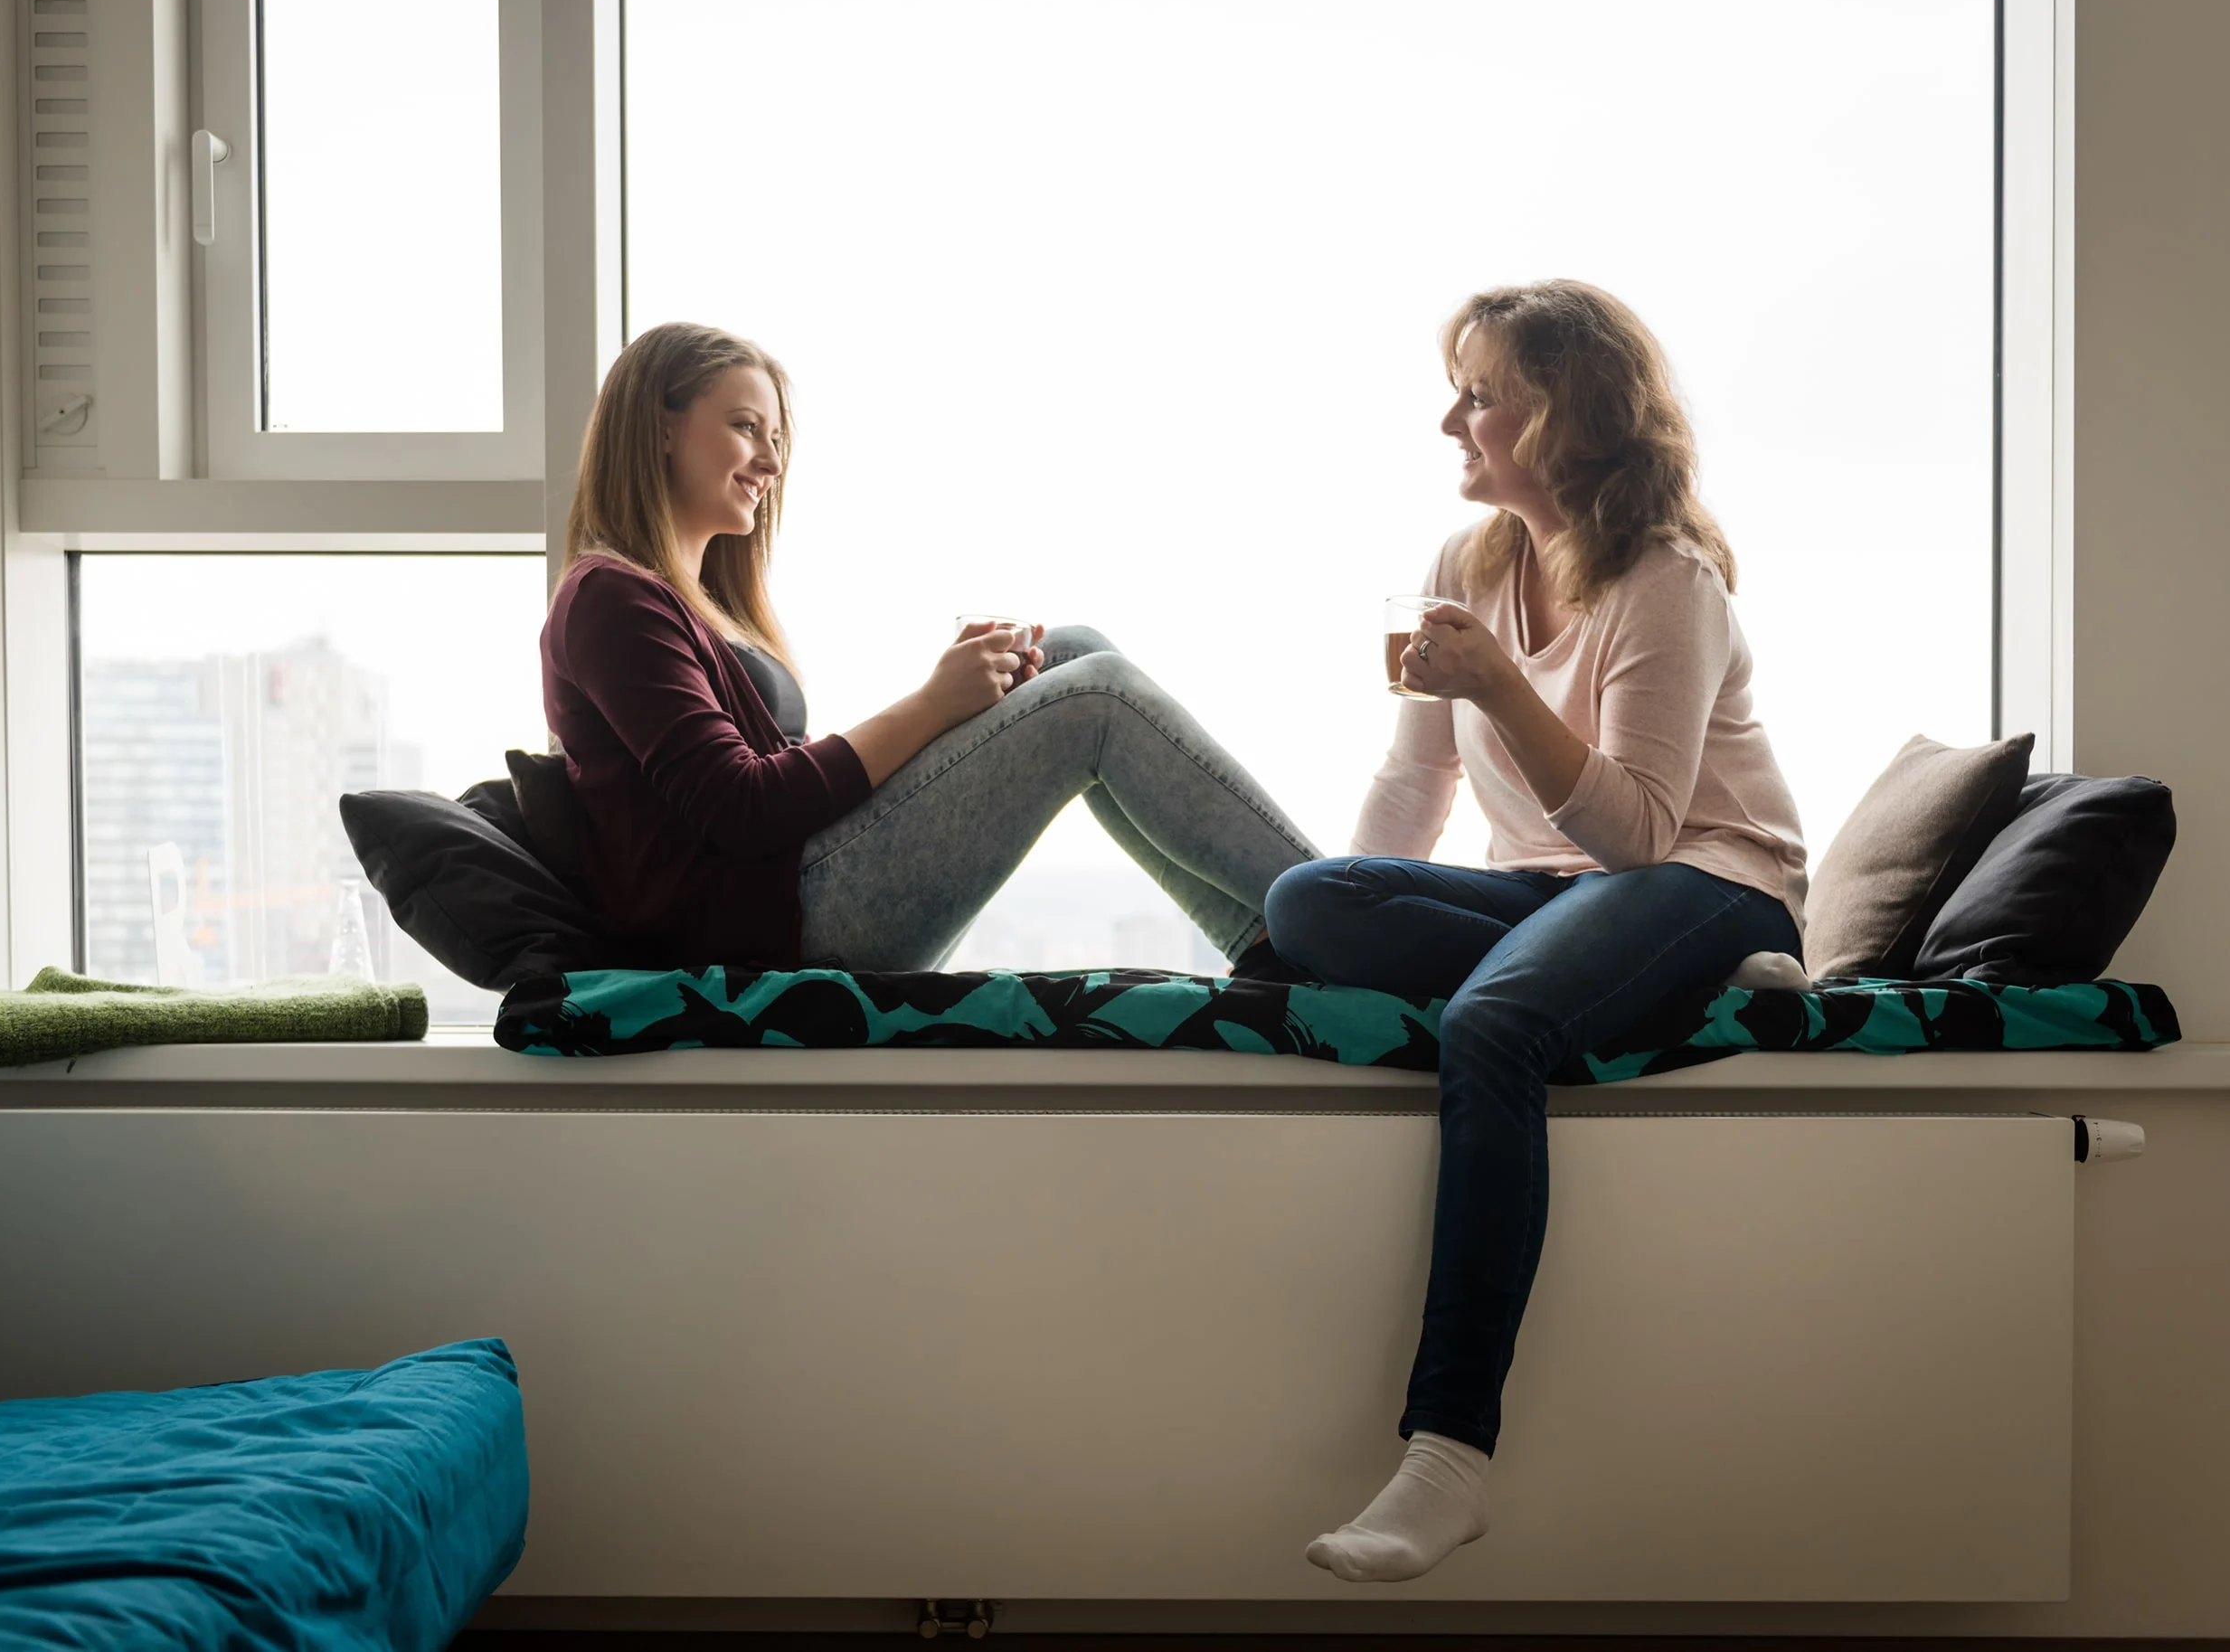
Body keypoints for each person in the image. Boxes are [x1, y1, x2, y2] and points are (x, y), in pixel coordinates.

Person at [1266, 280, 1808, 1582]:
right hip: (1555, 895)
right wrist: (1331, 921)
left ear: (1564, 414)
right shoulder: (1466, 564)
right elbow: (1414, 787)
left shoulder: (1666, 583)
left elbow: (1636, 830)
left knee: (1498, 1018)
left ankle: (1449, 1454)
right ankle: (1666, 989)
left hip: (1709, 871)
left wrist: (1502, 683)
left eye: (1482, 392)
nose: (1452, 417)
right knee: (1305, 901)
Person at [542, 320, 1318, 975]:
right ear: (662, 425)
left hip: (795, 891)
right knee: (1098, 696)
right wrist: (932, 706)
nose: (773, 465)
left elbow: (783, 790)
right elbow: (743, 808)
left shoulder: (691, 601)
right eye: (747, 427)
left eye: (777, 439)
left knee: (1071, 651)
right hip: (771, 927)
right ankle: (1357, 917)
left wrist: (959, 712)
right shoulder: (612, 599)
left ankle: (1271, 952)